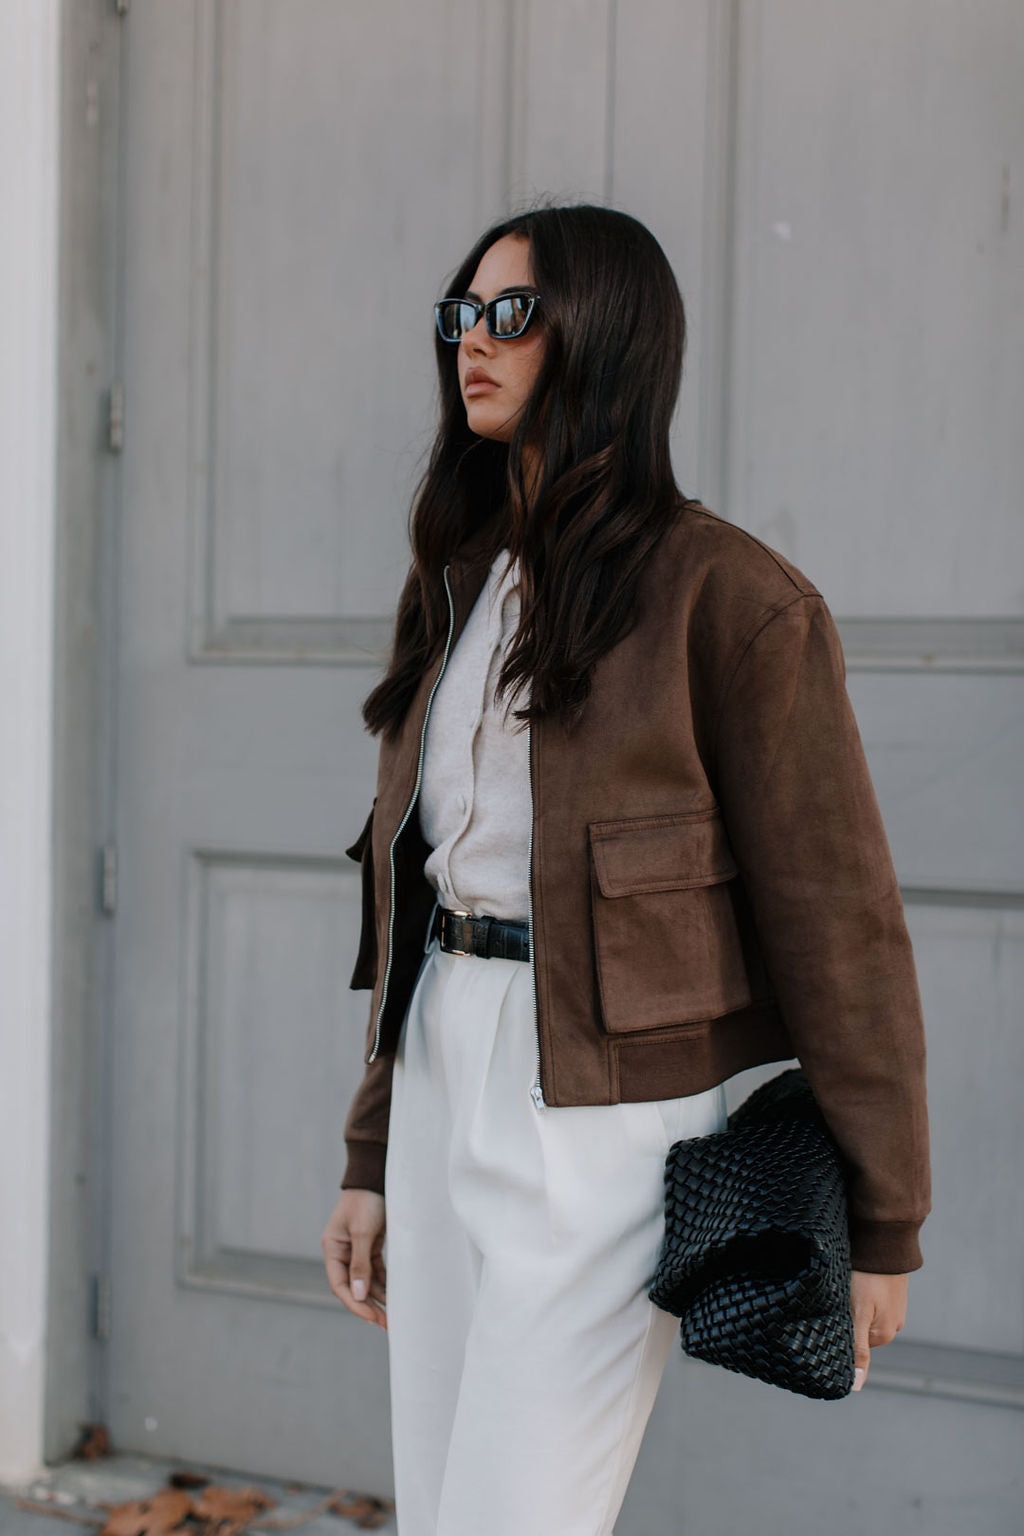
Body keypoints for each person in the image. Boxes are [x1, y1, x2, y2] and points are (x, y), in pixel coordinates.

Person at [321, 202, 931, 1536]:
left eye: (511, 314)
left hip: (602, 1120)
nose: (470, 343)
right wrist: (371, 1153)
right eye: (460, 317)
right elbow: (413, 891)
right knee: (438, 1510)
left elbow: (842, 926)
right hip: (441, 1074)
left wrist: (885, 1222)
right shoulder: (464, 577)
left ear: (607, 332)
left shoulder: (735, 600)